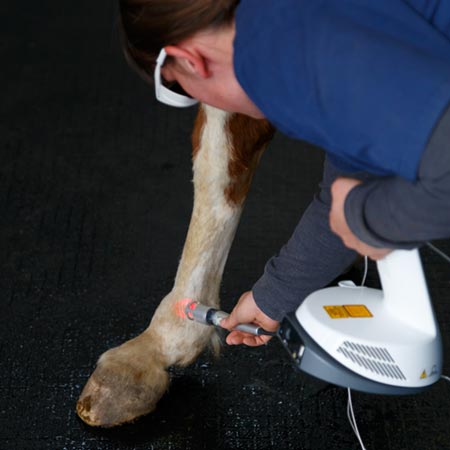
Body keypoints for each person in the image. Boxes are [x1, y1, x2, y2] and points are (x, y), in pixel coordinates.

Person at [120, 0, 450, 346]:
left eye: (180, 89)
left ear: (190, 60)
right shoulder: (288, 23)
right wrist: (273, 296)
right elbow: (345, 186)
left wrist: (368, 217)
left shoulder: (280, 63)